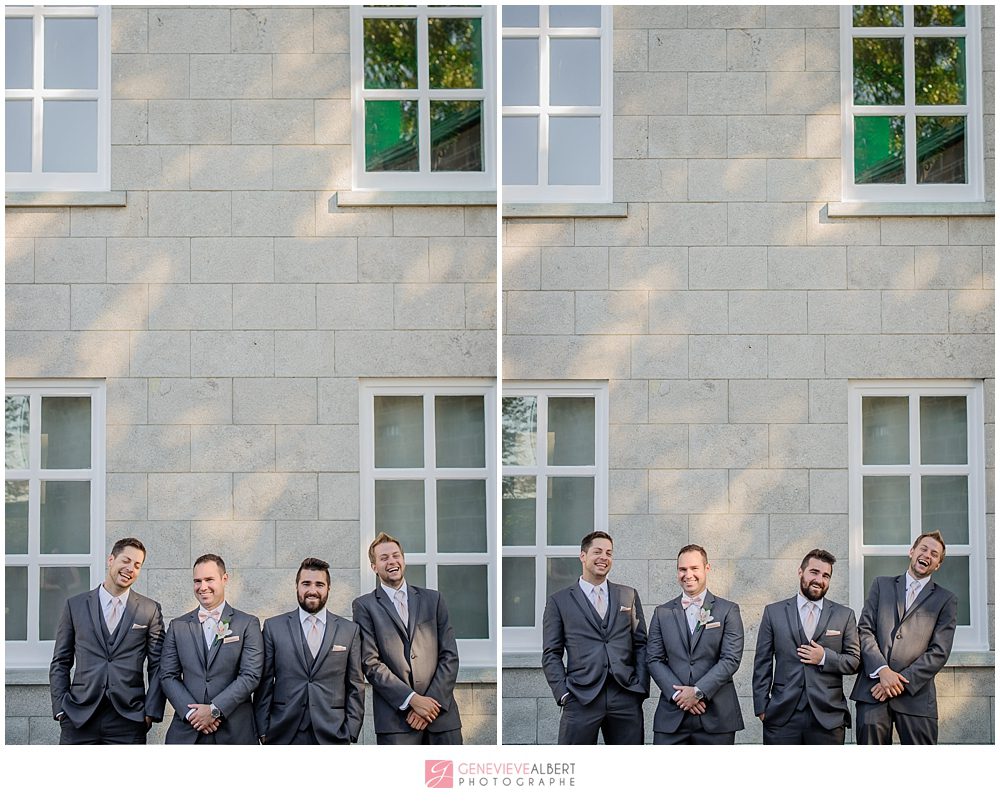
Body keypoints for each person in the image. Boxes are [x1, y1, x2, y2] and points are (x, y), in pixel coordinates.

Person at [49, 537, 165, 743]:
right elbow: (60, 661)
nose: (130, 568)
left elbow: (158, 665)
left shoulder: (149, 609)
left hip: (129, 719)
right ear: (111, 560)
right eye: (126, 561)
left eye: (137, 565)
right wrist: (60, 709)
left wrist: (150, 712)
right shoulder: (75, 606)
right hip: (79, 717)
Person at [352, 533, 462, 745]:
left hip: (441, 718)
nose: (391, 561)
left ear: (403, 560)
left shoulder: (434, 599)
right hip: (397, 723)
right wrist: (412, 700)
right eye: (384, 558)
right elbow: (371, 663)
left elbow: (449, 655)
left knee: (447, 779)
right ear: (374, 567)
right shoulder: (364, 606)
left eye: (396, 555)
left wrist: (430, 705)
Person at [850, 530, 957, 744]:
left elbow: (939, 652)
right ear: (912, 552)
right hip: (873, 693)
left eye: (934, 554)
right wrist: (883, 671)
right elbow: (865, 630)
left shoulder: (946, 600)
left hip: (916, 698)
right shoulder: (881, 585)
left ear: (937, 565)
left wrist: (897, 682)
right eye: (923, 549)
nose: (927, 555)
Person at [542, 530, 649, 744]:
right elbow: (551, 654)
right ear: (583, 556)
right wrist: (563, 693)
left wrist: (640, 688)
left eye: (609, 553)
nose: (604, 557)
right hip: (580, 698)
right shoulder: (559, 601)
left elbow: (641, 644)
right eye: (597, 551)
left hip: (625, 695)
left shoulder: (628, 594)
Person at [752, 548, 860, 744]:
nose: (820, 579)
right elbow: (762, 663)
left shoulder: (844, 615)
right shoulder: (773, 612)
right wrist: (761, 708)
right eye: (814, 572)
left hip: (828, 717)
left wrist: (825, 657)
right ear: (800, 572)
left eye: (826, 575)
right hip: (782, 716)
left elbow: (854, 661)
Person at [255, 557, 364, 744]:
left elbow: (355, 684)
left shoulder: (349, 630)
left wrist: (351, 731)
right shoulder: (274, 627)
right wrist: (263, 729)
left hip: (333, 733)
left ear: (328, 588)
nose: (312, 590)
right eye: (306, 583)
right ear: (297, 586)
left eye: (319, 584)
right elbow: (264, 682)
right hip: (283, 732)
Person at [160, 553, 263, 744]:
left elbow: (251, 675)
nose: (202, 587)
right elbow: (167, 675)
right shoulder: (178, 626)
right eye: (197, 581)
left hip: (235, 731)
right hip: (188, 730)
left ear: (224, 579)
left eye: (209, 579)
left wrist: (215, 710)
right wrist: (193, 714)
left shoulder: (247, 623)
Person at [646, 544, 743, 744]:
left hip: (716, 716)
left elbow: (730, 659)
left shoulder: (728, 610)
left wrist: (698, 692)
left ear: (707, 569)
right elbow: (654, 659)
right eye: (682, 569)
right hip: (672, 715)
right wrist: (680, 696)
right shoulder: (662, 613)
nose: (688, 574)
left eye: (694, 568)